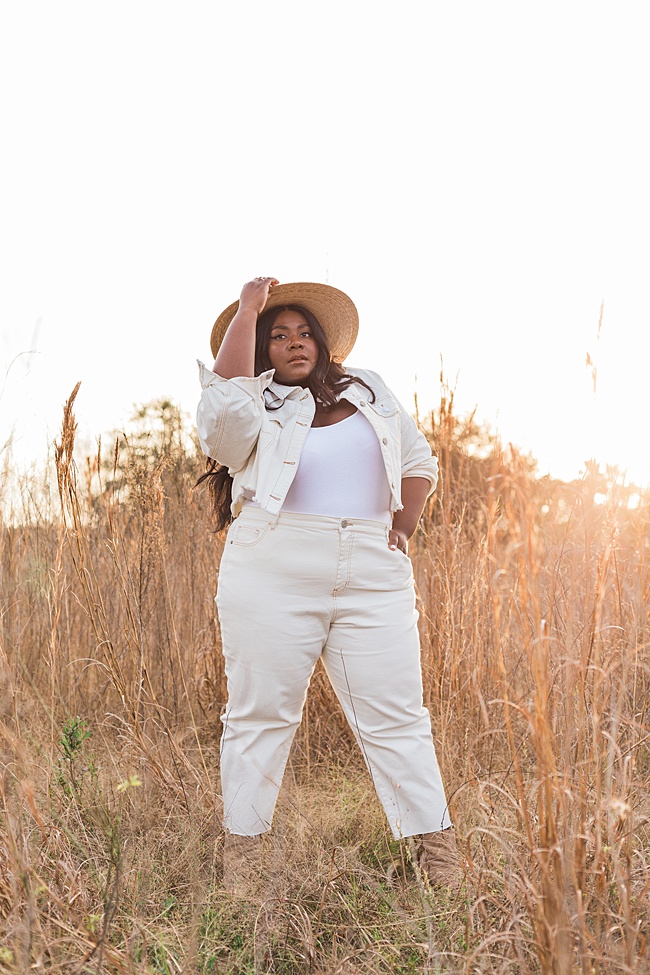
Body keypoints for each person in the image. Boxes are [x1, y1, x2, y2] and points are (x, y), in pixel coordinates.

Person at [197, 276, 460, 893]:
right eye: (277, 335)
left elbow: (418, 460)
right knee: (261, 716)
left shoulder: (369, 388)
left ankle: (441, 866)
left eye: (304, 332)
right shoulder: (253, 405)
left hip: (374, 567)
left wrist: (404, 523)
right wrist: (247, 309)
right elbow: (222, 423)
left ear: (323, 341)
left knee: (398, 715)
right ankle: (245, 872)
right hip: (273, 566)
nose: (294, 343)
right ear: (261, 350)